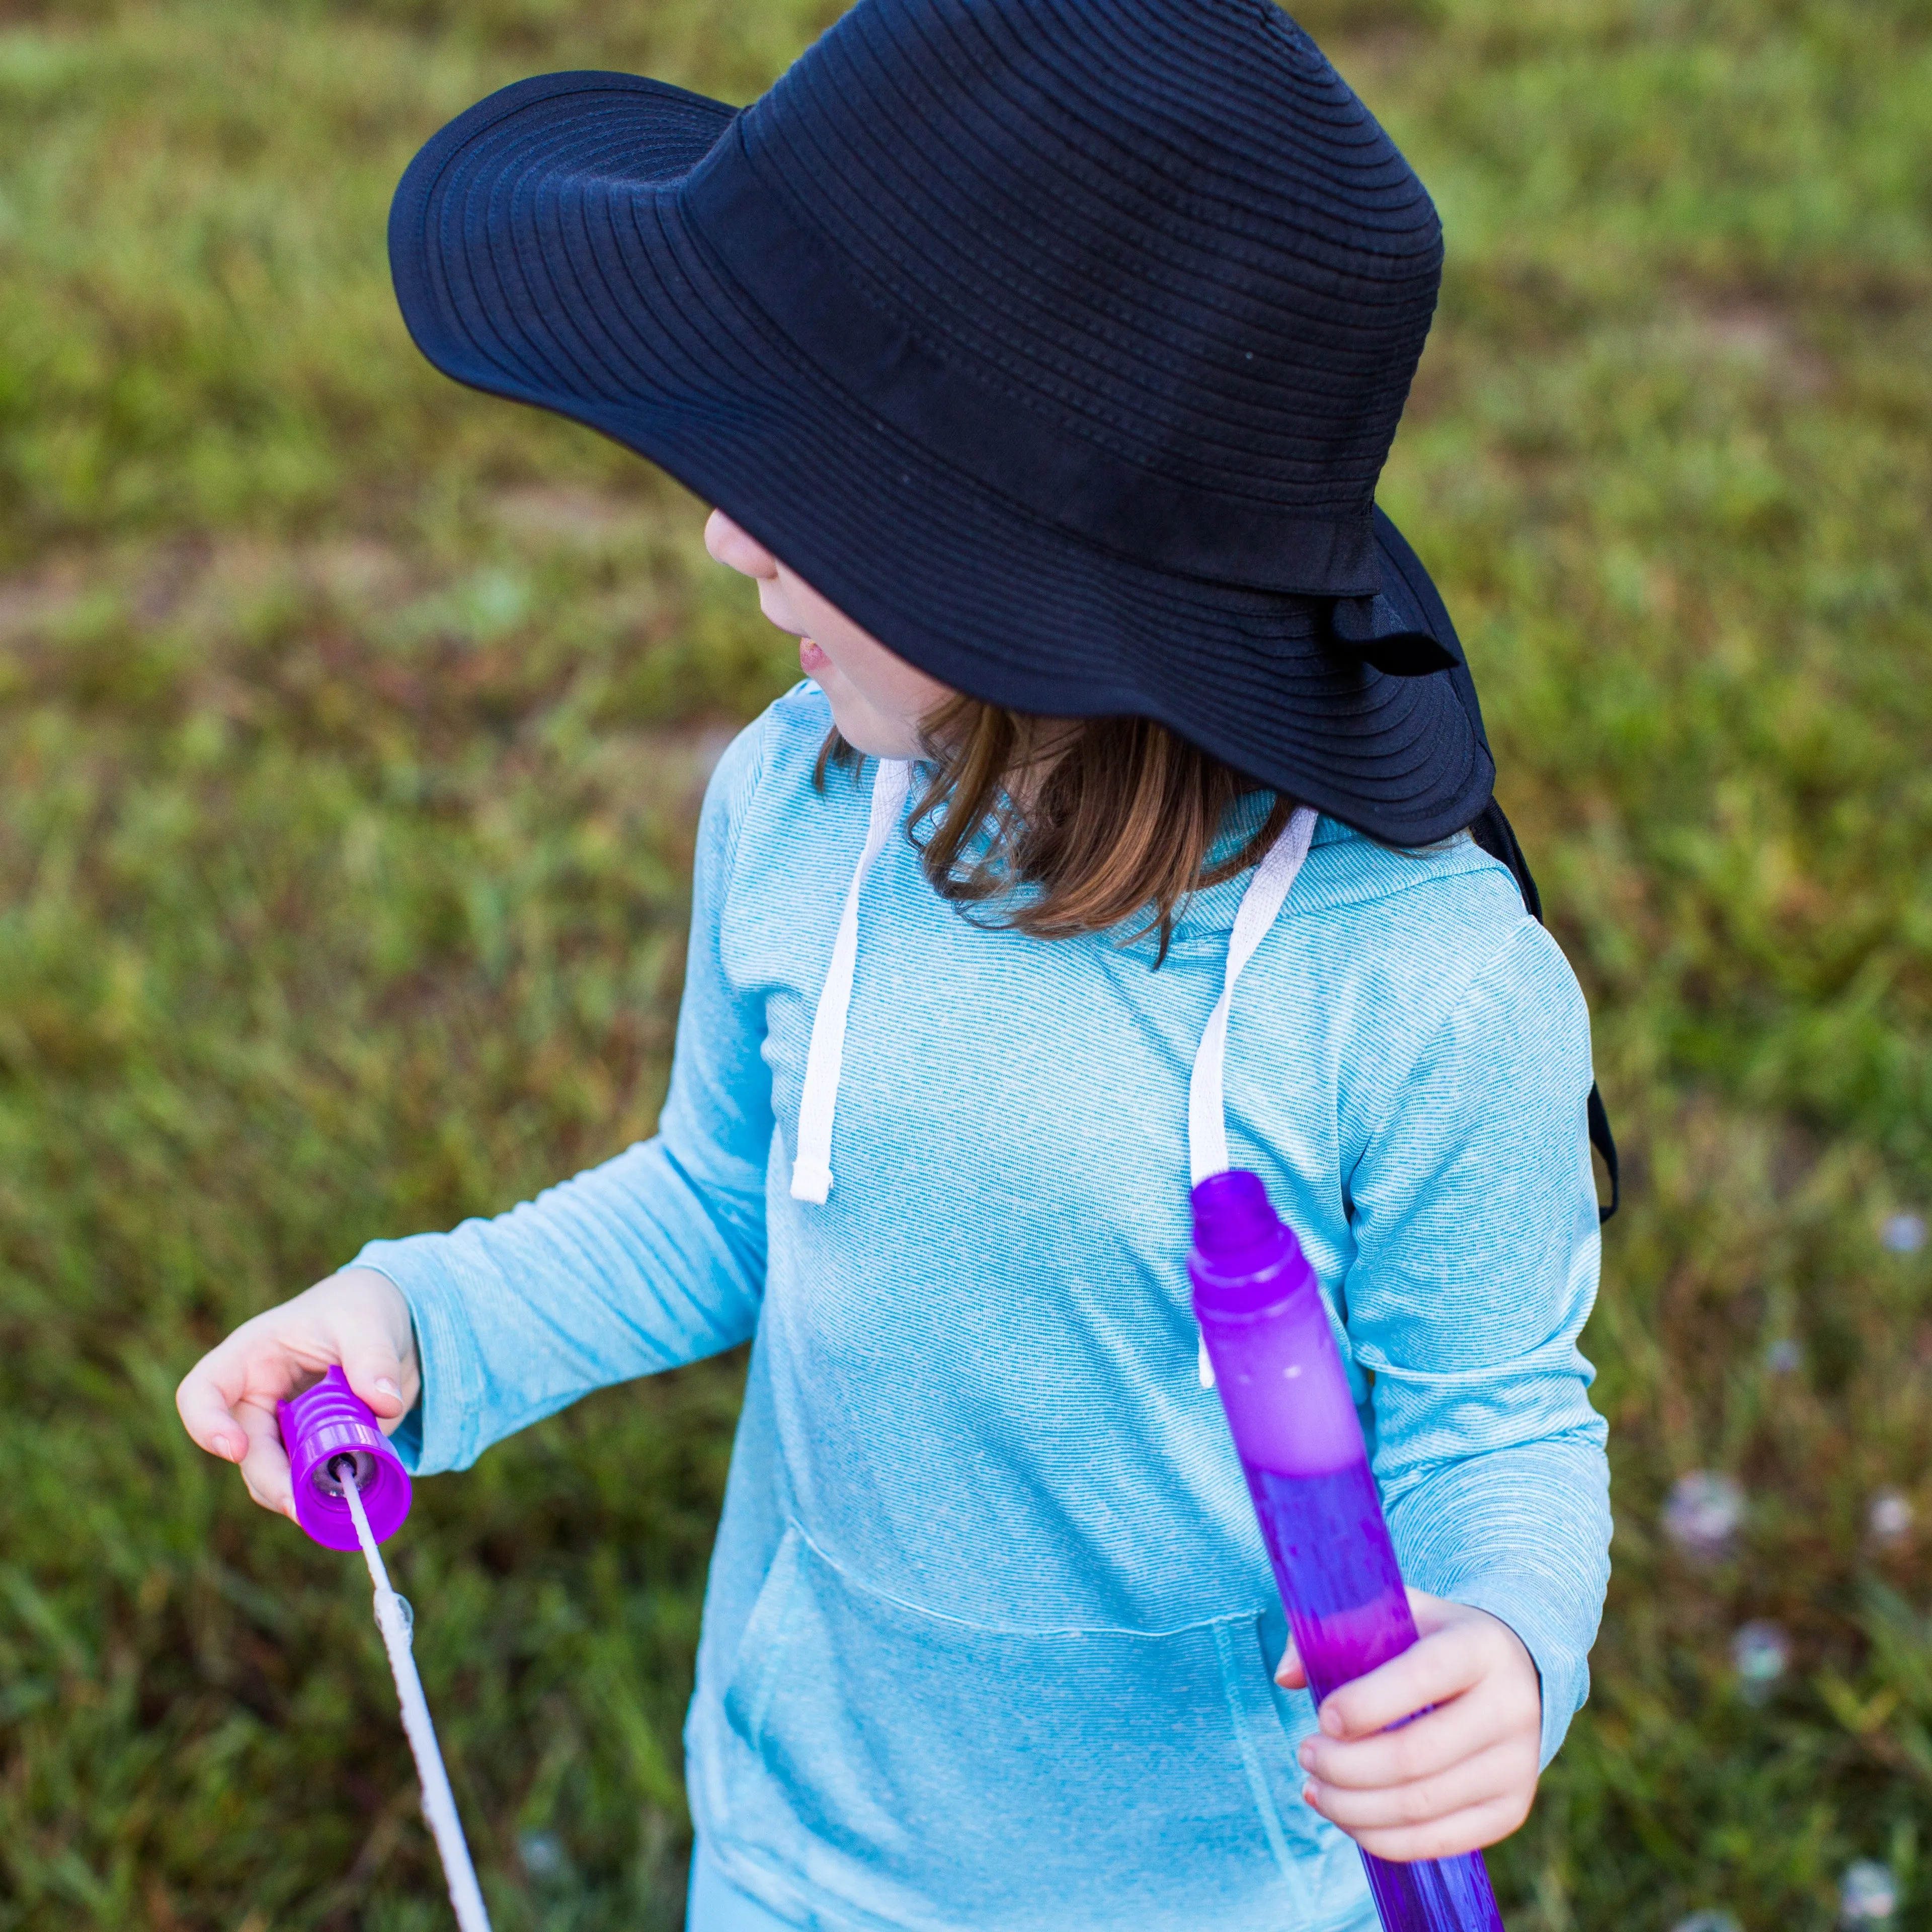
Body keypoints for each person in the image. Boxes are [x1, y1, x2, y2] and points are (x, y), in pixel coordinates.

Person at [176, 3, 1613, 1926]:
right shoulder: (799, 804)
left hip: (1221, 1883)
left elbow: (1491, 1414)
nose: (719, 537)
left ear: (1024, 562)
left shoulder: (1423, 989)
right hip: (807, 1845)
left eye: (802, 485)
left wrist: (1505, 1647)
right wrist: (424, 1328)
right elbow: (721, 1198)